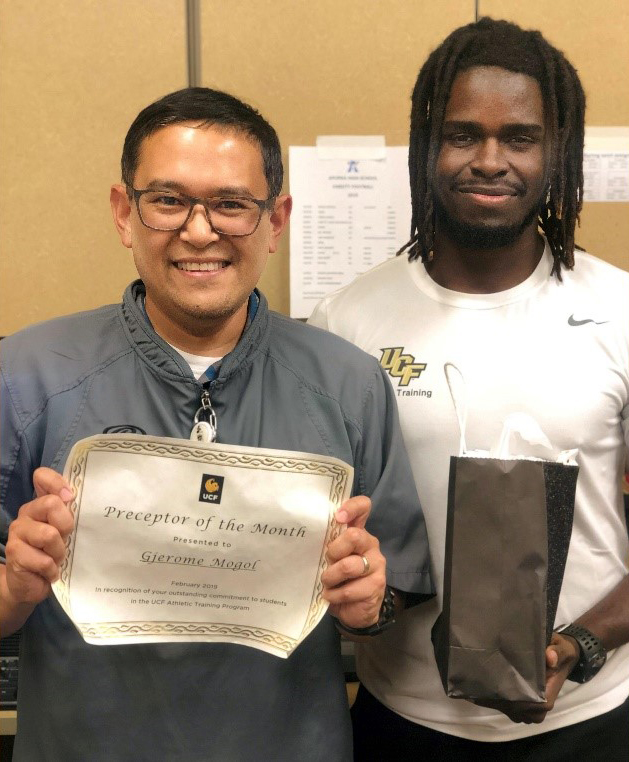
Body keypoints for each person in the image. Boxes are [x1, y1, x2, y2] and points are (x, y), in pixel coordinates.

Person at [0, 87, 433, 761]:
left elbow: (391, 596)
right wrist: (14, 589)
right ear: (124, 212)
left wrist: (367, 604)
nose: (199, 232)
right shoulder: (25, 376)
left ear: (276, 220)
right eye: (168, 201)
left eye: (231, 205)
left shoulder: (347, 384)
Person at [309, 17, 629, 762]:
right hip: (402, 720)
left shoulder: (620, 311)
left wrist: (578, 646)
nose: (489, 160)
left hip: (589, 720)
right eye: (461, 134)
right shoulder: (346, 320)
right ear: (427, 147)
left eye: (518, 138)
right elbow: (333, 532)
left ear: (555, 153)